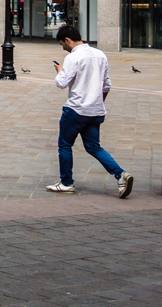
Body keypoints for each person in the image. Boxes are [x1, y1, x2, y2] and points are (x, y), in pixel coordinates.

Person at [47, 23, 134, 198]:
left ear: (67, 40)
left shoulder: (73, 57)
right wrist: (97, 103)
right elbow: (107, 85)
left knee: (65, 145)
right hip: (95, 111)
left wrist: (60, 71)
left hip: (76, 109)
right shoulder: (100, 54)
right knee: (94, 147)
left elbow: (61, 83)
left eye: (62, 44)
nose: (63, 48)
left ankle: (66, 183)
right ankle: (120, 174)